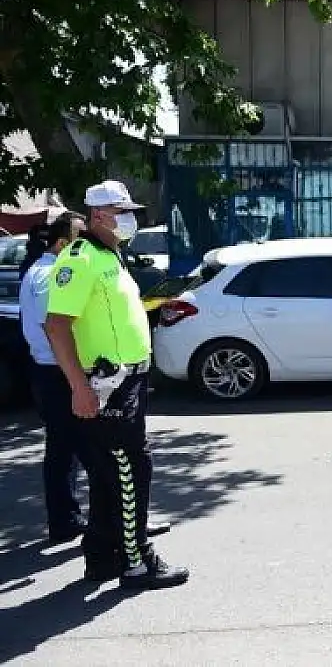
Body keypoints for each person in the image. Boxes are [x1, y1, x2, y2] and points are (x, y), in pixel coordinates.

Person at [43, 180, 188, 589]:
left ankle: (101, 556)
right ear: (99, 216)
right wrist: (79, 387)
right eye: (122, 212)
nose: (130, 219)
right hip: (107, 383)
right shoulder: (80, 259)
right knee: (131, 470)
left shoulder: (110, 255)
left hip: (126, 380)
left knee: (111, 474)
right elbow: (56, 325)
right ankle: (137, 561)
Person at [21, 212, 89, 545]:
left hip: (48, 370)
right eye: (80, 238)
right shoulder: (52, 276)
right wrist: (77, 378)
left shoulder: (38, 269)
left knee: (63, 449)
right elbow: (55, 328)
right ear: (62, 244)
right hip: (58, 371)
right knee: (77, 448)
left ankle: (66, 519)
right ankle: (73, 520)